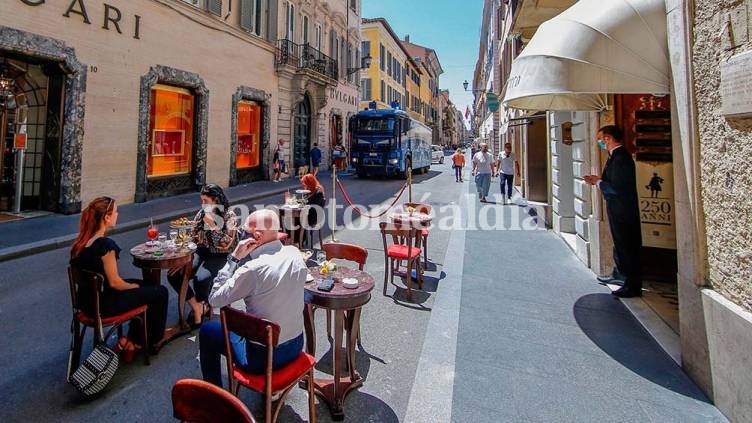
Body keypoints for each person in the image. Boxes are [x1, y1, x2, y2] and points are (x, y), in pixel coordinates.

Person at [199, 209, 307, 387]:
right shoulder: (294, 254)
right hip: (295, 346)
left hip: (264, 358)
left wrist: (233, 259)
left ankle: (214, 396)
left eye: (244, 232)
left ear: (256, 237)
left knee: (208, 330)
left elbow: (215, 300)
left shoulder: (252, 269)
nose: (240, 236)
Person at [70, 197, 168, 359]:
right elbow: (115, 283)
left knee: (146, 285)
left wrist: (136, 286)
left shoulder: (81, 244)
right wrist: (132, 287)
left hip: (86, 303)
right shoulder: (105, 246)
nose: (117, 214)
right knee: (160, 292)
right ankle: (147, 341)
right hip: (105, 304)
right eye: (115, 211)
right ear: (106, 217)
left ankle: (132, 338)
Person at [167, 184, 238, 329]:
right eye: (202, 201)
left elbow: (227, 244)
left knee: (201, 279)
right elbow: (192, 236)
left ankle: (203, 305)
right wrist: (183, 258)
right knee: (174, 274)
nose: (203, 204)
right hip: (201, 251)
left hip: (220, 255)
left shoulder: (229, 215)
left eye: (206, 201)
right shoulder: (202, 214)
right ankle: (197, 306)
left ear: (216, 200)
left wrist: (213, 225)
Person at [584, 125, 643, 297]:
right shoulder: (614, 157)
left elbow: (617, 188)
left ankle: (632, 286)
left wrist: (598, 182)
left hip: (624, 211)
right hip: (619, 210)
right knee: (621, 245)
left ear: (608, 138)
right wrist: (598, 181)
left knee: (627, 247)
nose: (599, 142)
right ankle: (622, 276)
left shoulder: (621, 158)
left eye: (600, 138)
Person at [301, 174, 326, 247]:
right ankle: (295, 240)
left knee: (296, 220)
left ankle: (299, 241)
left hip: (314, 217)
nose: (304, 185)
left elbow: (313, 208)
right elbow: (305, 202)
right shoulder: (308, 191)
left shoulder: (318, 192)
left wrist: (303, 206)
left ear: (310, 182)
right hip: (308, 214)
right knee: (292, 218)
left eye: (305, 183)